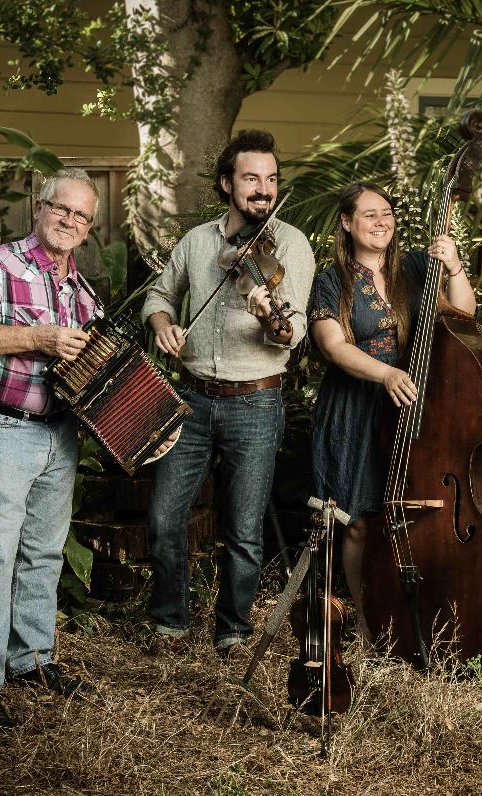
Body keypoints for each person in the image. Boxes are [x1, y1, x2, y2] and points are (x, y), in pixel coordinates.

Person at [0, 168, 130, 733]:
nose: (70, 221)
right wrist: (37, 338)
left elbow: (96, 361)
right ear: (38, 208)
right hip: (2, 429)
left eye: (82, 216)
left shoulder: (80, 289)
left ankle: (32, 662)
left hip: (59, 432)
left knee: (43, 553)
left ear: (90, 227)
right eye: (61, 209)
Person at [142, 129, 315, 656]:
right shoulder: (197, 242)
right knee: (165, 516)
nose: (262, 189)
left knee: (242, 528)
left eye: (270, 179)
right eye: (250, 178)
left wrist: (272, 317)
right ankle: (170, 621)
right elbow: (159, 294)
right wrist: (163, 324)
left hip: (256, 403)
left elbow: (295, 331)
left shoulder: (290, 245)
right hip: (189, 400)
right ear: (227, 183)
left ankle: (232, 631)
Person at [308, 182, 475, 635]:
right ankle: (364, 622)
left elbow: (464, 317)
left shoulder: (417, 268)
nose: (382, 222)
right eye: (369, 215)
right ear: (347, 223)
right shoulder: (331, 281)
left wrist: (456, 267)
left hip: (416, 408)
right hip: (358, 410)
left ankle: (414, 617)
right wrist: (384, 375)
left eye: (387, 213)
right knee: (360, 522)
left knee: (411, 514)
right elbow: (332, 345)